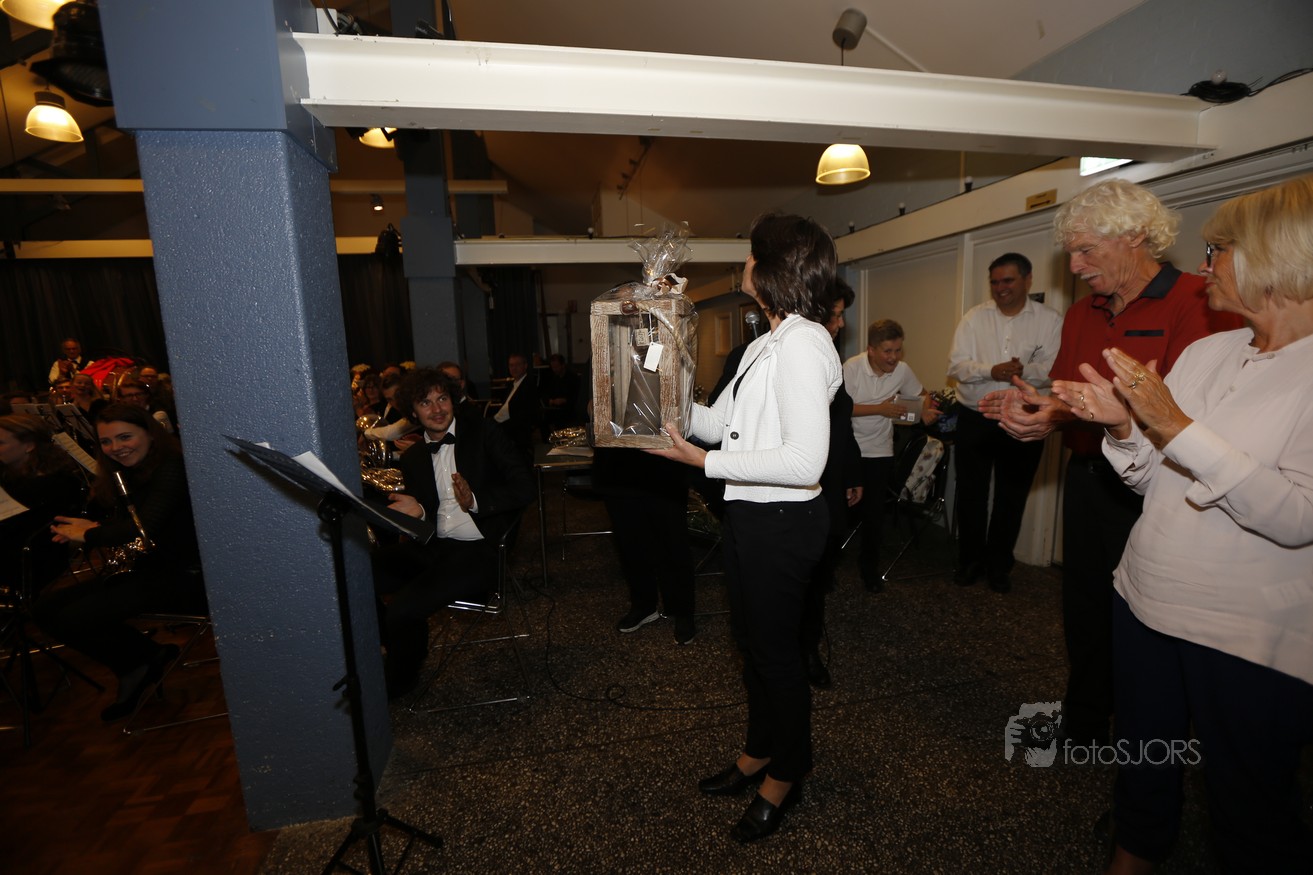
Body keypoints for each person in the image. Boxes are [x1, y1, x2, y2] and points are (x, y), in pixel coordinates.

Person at [1047, 176, 1313, 875]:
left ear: (1276, 257)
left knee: (1248, 802)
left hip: (1243, 630)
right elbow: (1155, 480)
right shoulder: (1208, 353)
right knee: (1143, 761)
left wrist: (1173, 425)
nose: (1204, 265)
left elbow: (1296, 518)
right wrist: (1123, 430)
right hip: (1144, 600)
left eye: (1218, 250)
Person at [979, 179, 1243, 747]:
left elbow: (1194, 416)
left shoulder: (1197, 302)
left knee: (1148, 617)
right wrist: (1043, 411)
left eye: (1085, 250)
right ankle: (1086, 723)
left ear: (1136, 236)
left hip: (1161, 488)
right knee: (1085, 607)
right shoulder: (1082, 312)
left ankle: (1148, 742)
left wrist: (1096, 413)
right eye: (1071, 253)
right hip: (1089, 476)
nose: (1074, 266)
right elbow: (1073, 399)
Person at [652, 213, 841, 843]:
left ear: (773, 267)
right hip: (753, 517)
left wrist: (702, 464)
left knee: (777, 656)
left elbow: (804, 462)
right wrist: (661, 399)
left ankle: (788, 770)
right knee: (754, 647)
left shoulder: (804, 343)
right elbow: (717, 424)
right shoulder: (767, 342)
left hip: (783, 522)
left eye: (751, 255)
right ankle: (761, 749)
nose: (744, 265)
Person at [36, 404, 206, 722]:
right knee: (44, 609)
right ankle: (144, 657)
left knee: (73, 618)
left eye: (125, 437)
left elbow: (142, 528)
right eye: (106, 441)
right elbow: (120, 520)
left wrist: (89, 534)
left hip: (186, 575)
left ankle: (137, 664)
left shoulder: (171, 466)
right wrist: (90, 524)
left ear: (151, 435)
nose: (116, 447)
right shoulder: (127, 470)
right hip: (153, 568)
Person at [374, 368, 535, 699]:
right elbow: (427, 517)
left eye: (442, 398)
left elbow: (525, 487)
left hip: (479, 551)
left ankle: (399, 681)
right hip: (434, 547)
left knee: (403, 608)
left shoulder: (484, 433)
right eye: (425, 402)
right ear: (412, 412)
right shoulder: (414, 458)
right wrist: (420, 513)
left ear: (453, 400)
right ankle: (400, 647)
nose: (436, 409)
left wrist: (474, 500)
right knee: (357, 573)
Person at [947, 253, 1062, 592]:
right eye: (995, 282)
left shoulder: (1050, 320)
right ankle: (970, 562)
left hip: (1024, 419)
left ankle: (999, 567)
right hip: (976, 417)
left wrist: (1023, 371)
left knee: (1011, 497)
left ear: (1028, 279)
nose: (1000, 288)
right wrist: (991, 370)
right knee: (971, 494)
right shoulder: (974, 318)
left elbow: (1054, 370)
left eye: (1008, 280)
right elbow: (955, 366)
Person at [844, 319, 938, 592]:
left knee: (875, 515)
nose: (894, 357)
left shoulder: (902, 370)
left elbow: (922, 394)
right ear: (871, 349)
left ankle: (869, 569)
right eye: (887, 351)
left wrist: (925, 409)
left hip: (880, 450)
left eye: (897, 350)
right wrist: (880, 409)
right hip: (849, 448)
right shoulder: (851, 368)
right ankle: (828, 568)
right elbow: (841, 409)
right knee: (842, 511)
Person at [802, 279, 863, 688]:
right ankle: (793, 654)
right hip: (796, 495)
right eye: (836, 316)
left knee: (818, 580)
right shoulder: (782, 358)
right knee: (797, 581)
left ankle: (808, 648)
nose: (841, 324)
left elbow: (842, 425)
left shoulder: (832, 361)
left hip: (830, 489)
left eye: (842, 316)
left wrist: (853, 473)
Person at [592, 448, 696, 644]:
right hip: (616, 468)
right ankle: (643, 605)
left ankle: (682, 610)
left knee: (674, 544)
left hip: (664, 467)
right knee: (630, 544)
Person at [0, 414, 84, 594]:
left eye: (1, 443)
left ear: (29, 446)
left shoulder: (50, 483)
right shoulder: (11, 474)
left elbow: (17, 530)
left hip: (33, 562)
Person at [493, 353, 539, 457]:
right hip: (506, 429)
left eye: (517, 365)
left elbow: (526, 414)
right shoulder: (511, 385)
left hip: (518, 434)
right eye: (511, 365)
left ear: (525, 366)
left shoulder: (529, 386)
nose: (514, 368)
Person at [539, 353, 582, 435]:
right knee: (543, 419)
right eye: (553, 367)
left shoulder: (573, 378)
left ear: (563, 365)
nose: (554, 369)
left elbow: (576, 396)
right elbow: (546, 393)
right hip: (555, 408)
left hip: (569, 409)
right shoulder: (552, 377)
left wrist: (564, 400)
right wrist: (551, 401)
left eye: (556, 367)